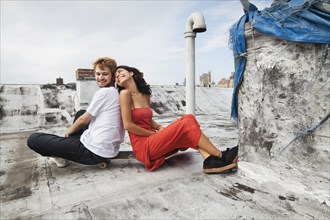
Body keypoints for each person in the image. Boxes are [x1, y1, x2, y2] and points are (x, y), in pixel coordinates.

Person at [114, 65, 238, 174]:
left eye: (120, 71)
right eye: (116, 76)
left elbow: (147, 119)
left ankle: (209, 161)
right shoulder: (124, 94)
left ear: (131, 73)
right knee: (187, 124)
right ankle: (222, 156)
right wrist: (152, 133)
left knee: (188, 118)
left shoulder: (145, 95)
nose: (118, 75)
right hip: (143, 146)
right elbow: (128, 125)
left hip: (153, 140)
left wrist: (159, 127)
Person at [27, 57, 125, 167]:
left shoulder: (104, 93)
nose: (100, 77)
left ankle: (60, 155)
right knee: (81, 112)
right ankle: (65, 148)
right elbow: (83, 116)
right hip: (110, 149)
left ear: (112, 75)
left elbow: (84, 121)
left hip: (93, 152)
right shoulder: (117, 92)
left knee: (34, 139)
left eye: (105, 74)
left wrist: (68, 133)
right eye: (98, 74)